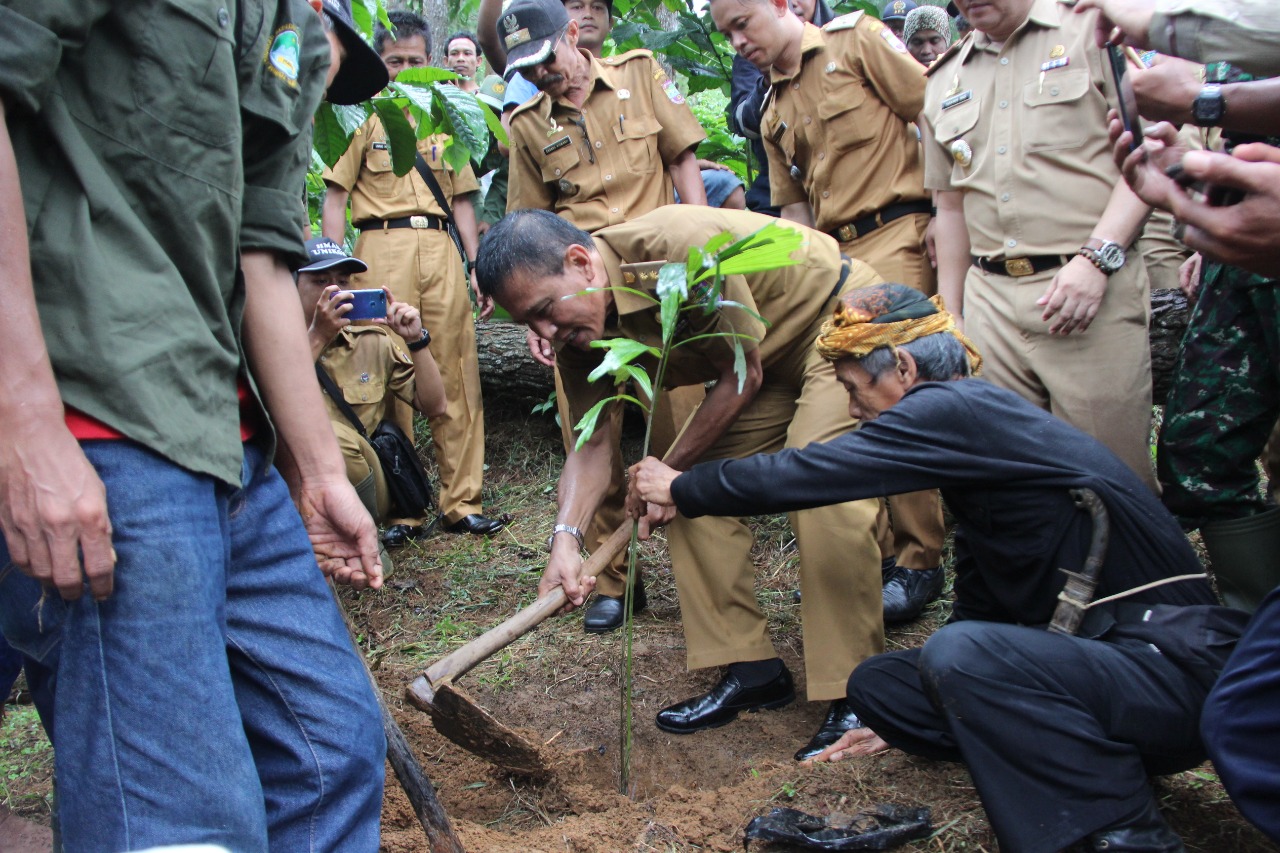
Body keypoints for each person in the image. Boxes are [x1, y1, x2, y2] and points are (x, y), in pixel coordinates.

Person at [630, 283, 1248, 853]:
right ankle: (1029, 740)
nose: (852, 409)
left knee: (957, 653)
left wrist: (685, 487)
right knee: (884, 686)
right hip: (1095, 676)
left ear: (904, 368)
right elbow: (984, 598)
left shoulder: (959, 408)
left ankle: (1124, 833)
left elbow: (815, 473)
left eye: (854, 389)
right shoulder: (974, 444)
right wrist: (947, 700)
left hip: (1169, 674)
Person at [0, 0, 391, 849]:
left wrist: (319, 472)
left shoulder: (295, 27)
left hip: (229, 433)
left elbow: (261, 251)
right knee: (184, 821)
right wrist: (25, 426)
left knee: (332, 755)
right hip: (102, 416)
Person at [476, 206, 889, 761]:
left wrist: (664, 475)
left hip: (830, 323)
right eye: (530, 324)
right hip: (751, 365)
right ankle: (752, 667)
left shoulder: (673, 254)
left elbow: (743, 369)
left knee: (821, 487)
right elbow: (593, 443)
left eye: (546, 311)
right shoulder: (579, 335)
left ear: (581, 263)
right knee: (691, 494)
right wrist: (566, 540)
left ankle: (856, 692)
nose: (545, 335)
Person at [716, 0, 948, 622]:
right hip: (833, 261)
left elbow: (935, 114)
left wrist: (949, 215)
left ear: (785, 6)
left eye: (744, 23)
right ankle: (868, 557)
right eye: (726, 32)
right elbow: (794, 215)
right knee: (851, 408)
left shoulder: (859, 42)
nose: (738, 40)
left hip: (899, 232)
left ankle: (921, 559)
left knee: (899, 397)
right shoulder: (769, 110)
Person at [500, 0, 718, 632]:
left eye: (546, 59)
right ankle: (612, 581)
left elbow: (682, 163)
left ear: (572, 34)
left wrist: (702, 246)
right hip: (576, 302)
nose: (542, 76)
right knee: (591, 434)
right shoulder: (525, 125)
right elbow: (525, 230)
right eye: (527, 69)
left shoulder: (642, 74)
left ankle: (705, 586)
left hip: (656, 286)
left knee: (681, 438)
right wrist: (542, 323)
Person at [925, 0, 1158, 492]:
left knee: (1113, 479)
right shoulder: (944, 79)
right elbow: (949, 208)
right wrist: (954, 314)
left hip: (1089, 286)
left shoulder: (1095, 30)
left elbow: (1149, 156)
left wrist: (1099, 258)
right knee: (1016, 483)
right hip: (989, 300)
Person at [323, 9, 506, 545]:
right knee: (386, 373)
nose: (405, 69)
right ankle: (403, 507)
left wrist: (479, 265)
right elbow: (335, 196)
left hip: (441, 248)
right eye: (394, 60)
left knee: (456, 370)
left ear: (430, 63)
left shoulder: (444, 117)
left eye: (415, 60)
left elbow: (466, 200)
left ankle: (462, 502)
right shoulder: (361, 116)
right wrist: (338, 269)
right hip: (379, 248)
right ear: (381, 63)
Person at [298, 239, 447, 526]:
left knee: (330, 437)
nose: (335, 291)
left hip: (361, 484)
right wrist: (318, 335)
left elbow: (435, 405)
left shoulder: (372, 344)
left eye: (343, 281)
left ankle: (360, 535)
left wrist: (416, 340)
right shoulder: (270, 349)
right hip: (292, 480)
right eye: (320, 281)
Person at [727, 0, 836, 216]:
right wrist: (769, 81)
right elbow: (742, 121)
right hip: (777, 187)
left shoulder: (847, 37)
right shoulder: (752, 50)